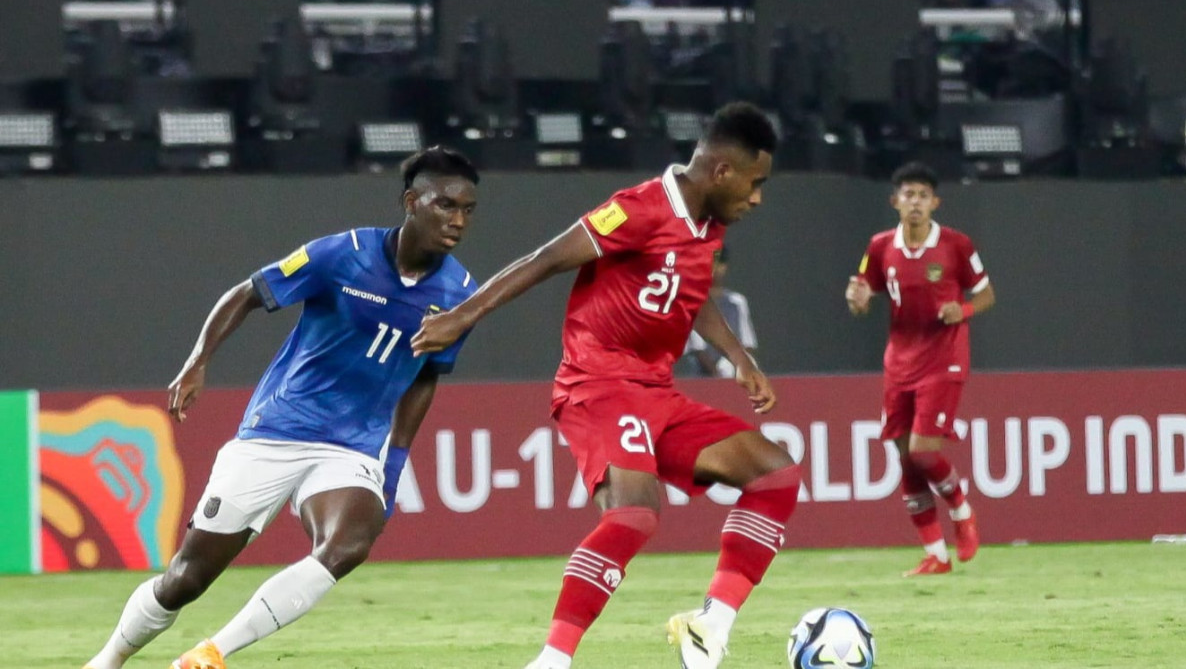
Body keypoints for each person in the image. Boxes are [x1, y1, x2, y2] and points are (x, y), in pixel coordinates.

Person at [411, 102, 800, 669]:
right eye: (755, 182)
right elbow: (546, 259)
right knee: (636, 514)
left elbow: (689, 295)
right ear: (722, 171)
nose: (758, 198)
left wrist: (737, 357)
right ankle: (552, 659)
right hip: (599, 383)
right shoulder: (637, 210)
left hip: (656, 392)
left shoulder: (708, 225)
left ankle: (711, 624)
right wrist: (462, 315)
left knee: (775, 474)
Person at [82, 146, 481, 669]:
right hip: (276, 432)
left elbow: (425, 378)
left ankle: (209, 655)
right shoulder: (342, 254)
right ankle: (107, 661)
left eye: (467, 211)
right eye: (445, 205)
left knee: (347, 546)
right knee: (187, 578)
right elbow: (247, 293)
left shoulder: (463, 293)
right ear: (411, 201)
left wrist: (394, 463)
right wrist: (198, 360)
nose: (456, 221)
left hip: (351, 449)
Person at [844, 161, 995, 577]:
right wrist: (856, 299)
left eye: (923, 196)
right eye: (908, 195)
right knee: (906, 459)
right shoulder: (879, 247)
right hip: (899, 363)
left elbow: (986, 295)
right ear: (895, 201)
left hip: (943, 359)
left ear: (934, 203)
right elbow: (862, 295)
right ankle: (936, 554)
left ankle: (963, 512)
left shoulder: (956, 245)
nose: (915, 203)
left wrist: (960, 309)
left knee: (923, 451)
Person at [682, 245, 758, 378]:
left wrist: (738, 366)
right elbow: (698, 348)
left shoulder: (737, 302)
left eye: (720, 263)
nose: (715, 269)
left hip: (734, 368)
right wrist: (717, 375)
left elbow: (747, 342)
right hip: (703, 374)